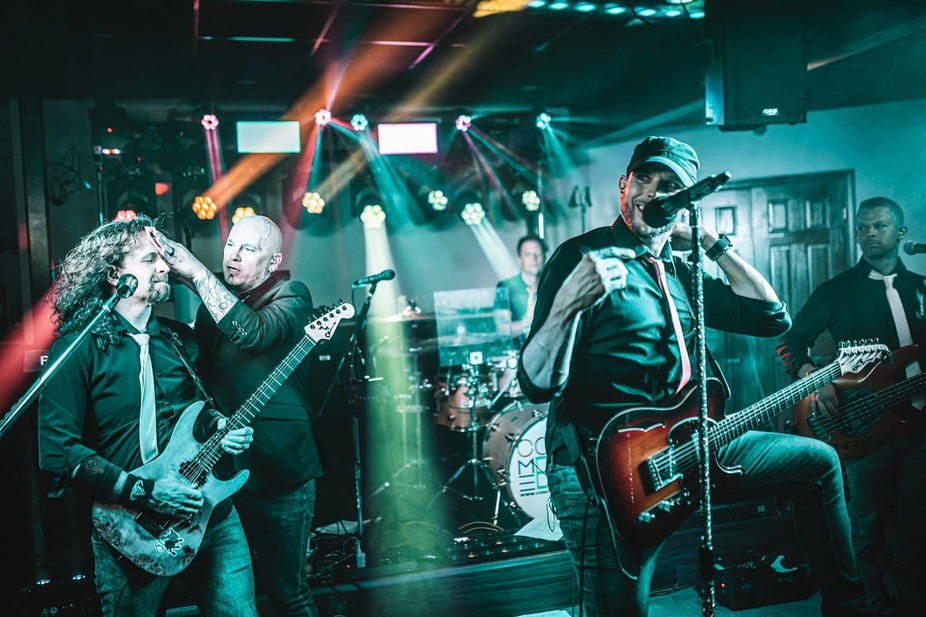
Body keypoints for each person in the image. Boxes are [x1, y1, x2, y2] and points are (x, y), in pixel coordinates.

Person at [517, 135, 869, 616]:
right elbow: (536, 385)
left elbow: (771, 318)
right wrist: (567, 307)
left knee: (819, 463)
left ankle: (849, 607)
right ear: (623, 186)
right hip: (607, 468)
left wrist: (711, 244)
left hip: (694, 442)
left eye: (669, 186)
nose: (652, 192)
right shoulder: (583, 257)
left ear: (685, 204)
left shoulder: (680, 272)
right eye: (643, 178)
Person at [36, 215, 258, 616]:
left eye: (163, 259)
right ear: (113, 274)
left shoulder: (180, 340)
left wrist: (219, 426)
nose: (163, 268)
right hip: (131, 526)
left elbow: (199, 411)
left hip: (208, 512)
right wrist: (146, 491)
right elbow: (58, 451)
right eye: (149, 259)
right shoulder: (78, 348)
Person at [151, 215, 323, 617]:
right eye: (231, 245)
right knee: (230, 594)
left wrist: (196, 273)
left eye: (248, 249)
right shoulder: (212, 310)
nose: (234, 255)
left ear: (273, 260)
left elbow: (253, 333)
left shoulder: (292, 295)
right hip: (220, 472)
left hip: (279, 470)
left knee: (288, 592)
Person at [777, 196, 926, 617]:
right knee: (867, 525)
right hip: (863, 422)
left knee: (918, 525)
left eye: (879, 226)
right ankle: (873, 606)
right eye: (862, 227)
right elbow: (790, 343)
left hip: (920, 424)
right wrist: (815, 377)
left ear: (901, 232)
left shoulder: (921, 289)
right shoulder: (836, 290)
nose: (868, 234)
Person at [497, 233, 547, 343]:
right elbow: (501, 329)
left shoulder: (552, 286)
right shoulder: (505, 287)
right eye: (528, 254)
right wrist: (529, 322)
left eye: (538, 254)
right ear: (519, 260)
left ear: (544, 257)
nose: (534, 259)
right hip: (516, 350)